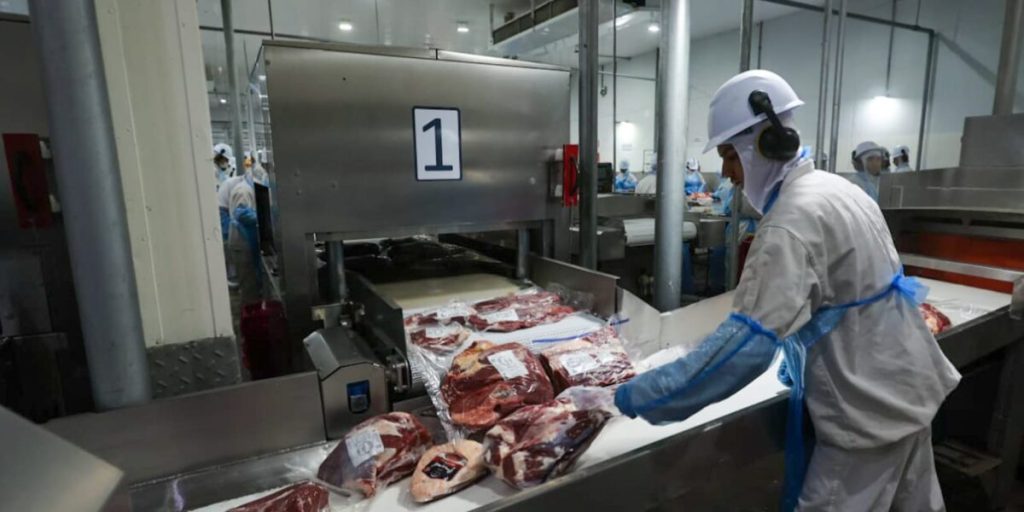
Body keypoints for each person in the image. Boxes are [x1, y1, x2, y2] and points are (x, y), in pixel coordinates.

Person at [614, 70, 959, 511]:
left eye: (730, 156)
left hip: (865, 413)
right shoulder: (839, 189)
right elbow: (842, 296)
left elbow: (743, 350)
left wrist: (642, 395)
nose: (728, 174)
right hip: (906, 388)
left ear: (765, 144)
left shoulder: (790, 221)